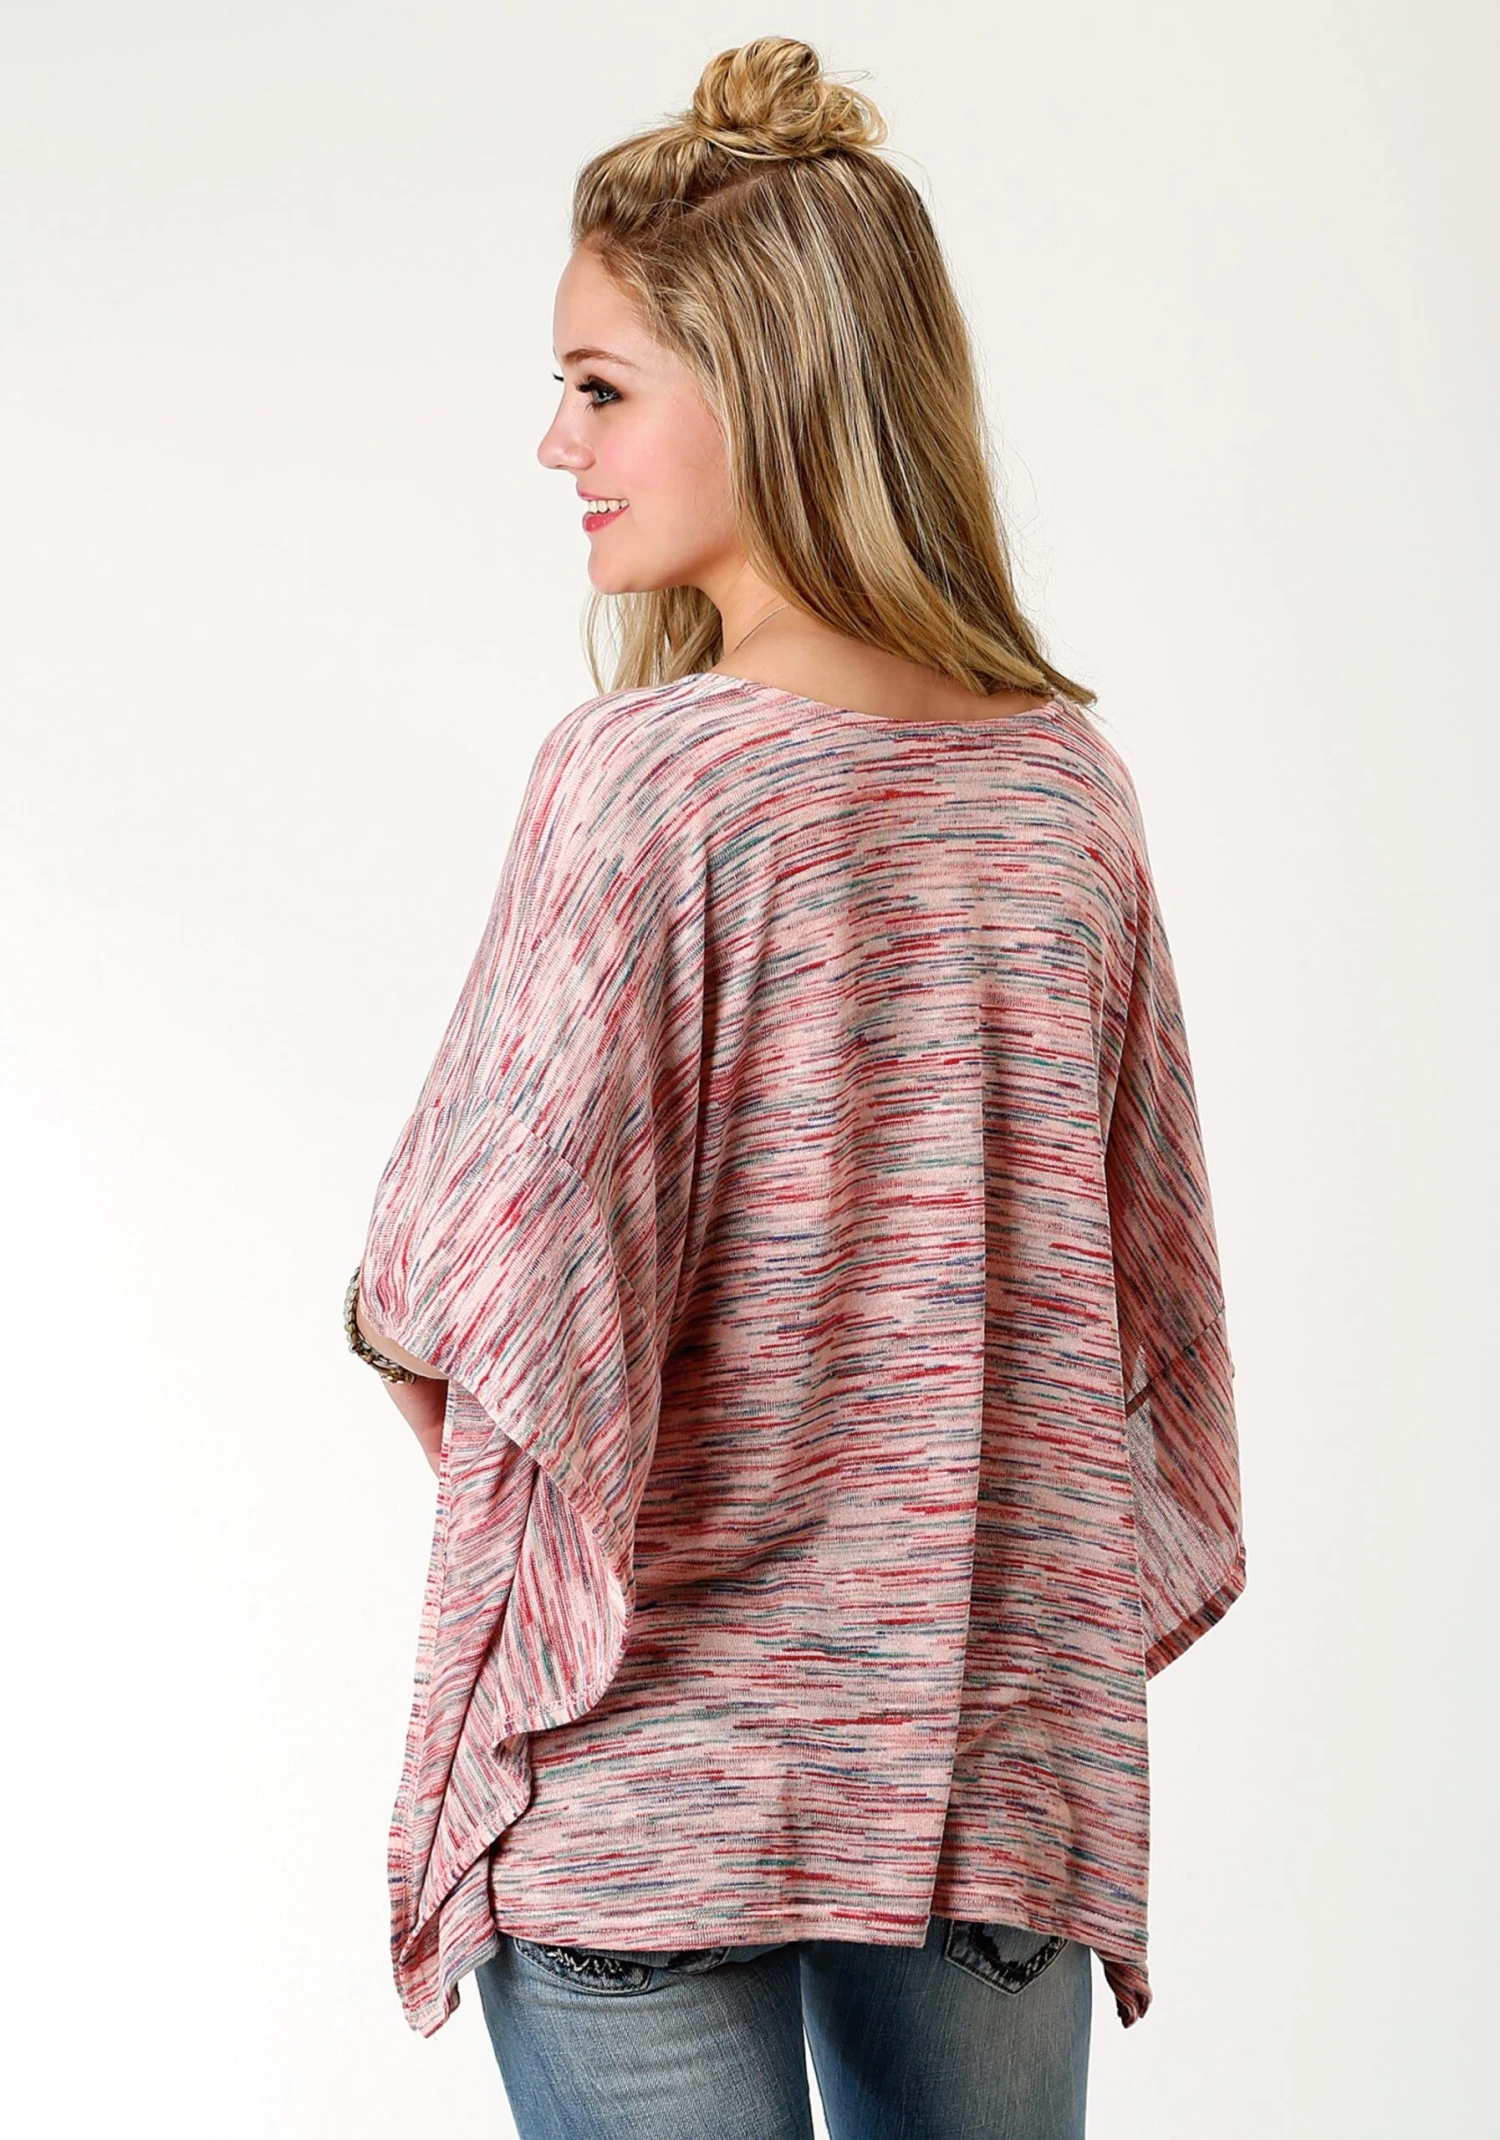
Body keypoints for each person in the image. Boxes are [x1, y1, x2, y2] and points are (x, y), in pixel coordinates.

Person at [345, 34, 1245, 2140]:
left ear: (760, 387)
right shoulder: (1071, 795)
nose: (555, 441)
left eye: (600, 386)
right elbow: (1144, 1297)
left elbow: (463, 1290)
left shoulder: (645, 782)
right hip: (984, 1755)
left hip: (651, 1752)